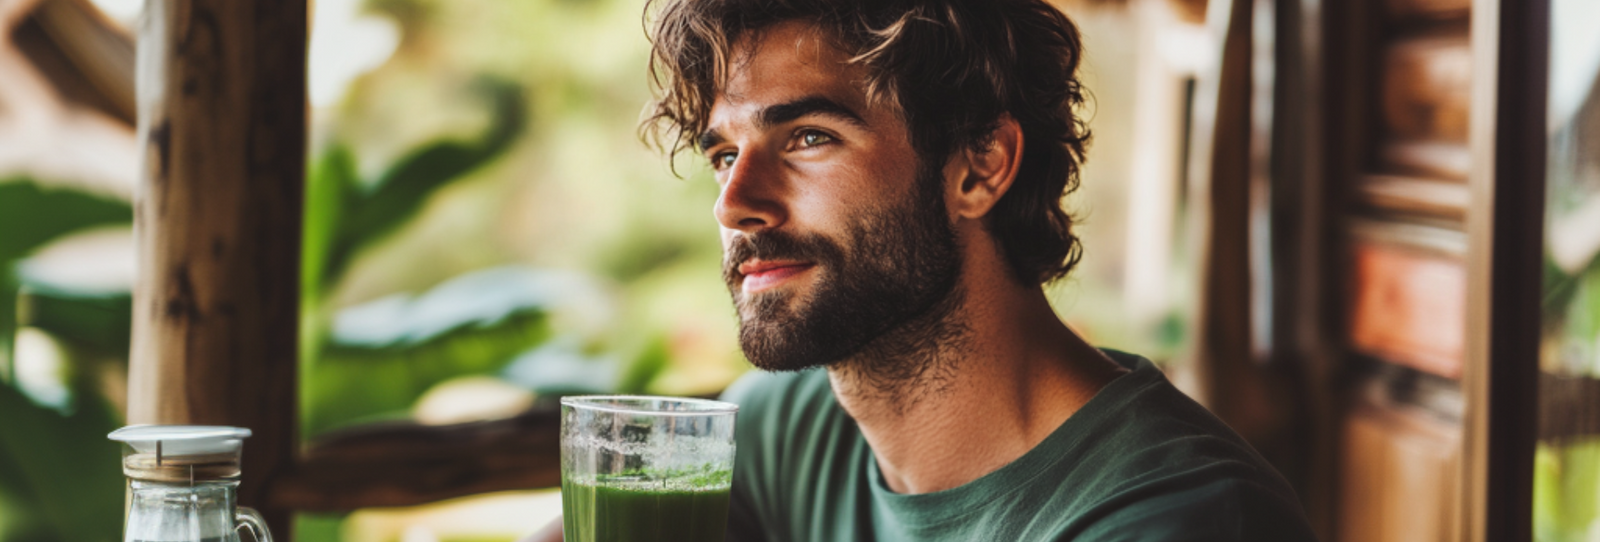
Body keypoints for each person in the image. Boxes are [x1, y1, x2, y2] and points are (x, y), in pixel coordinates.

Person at [532, 0, 1317, 540]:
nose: (734, 203)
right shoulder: (788, 430)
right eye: (724, 154)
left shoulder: (1176, 518)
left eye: (808, 137)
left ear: (980, 167)